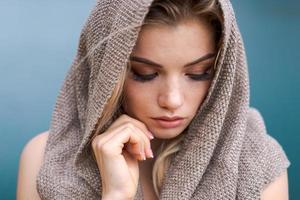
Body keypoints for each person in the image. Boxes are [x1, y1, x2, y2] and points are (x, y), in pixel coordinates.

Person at [17, 0, 290, 199]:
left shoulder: (257, 163)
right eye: (145, 74)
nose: (172, 100)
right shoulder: (45, 159)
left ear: (221, 72)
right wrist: (116, 195)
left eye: (198, 73)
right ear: (108, 73)